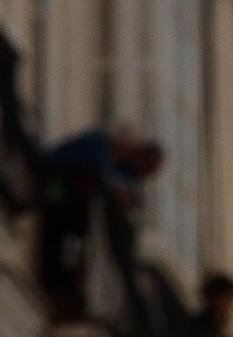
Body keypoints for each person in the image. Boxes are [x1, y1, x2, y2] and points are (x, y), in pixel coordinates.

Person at [38, 127, 164, 320]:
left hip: (73, 211)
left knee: (75, 244)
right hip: (55, 189)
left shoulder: (123, 169)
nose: (144, 174)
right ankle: (58, 284)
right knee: (61, 229)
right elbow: (98, 172)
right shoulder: (97, 145)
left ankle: (69, 285)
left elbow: (129, 193)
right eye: (147, 167)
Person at [191, 271, 233, 337]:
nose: (229, 309)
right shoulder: (200, 328)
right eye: (226, 303)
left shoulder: (216, 327)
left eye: (230, 303)